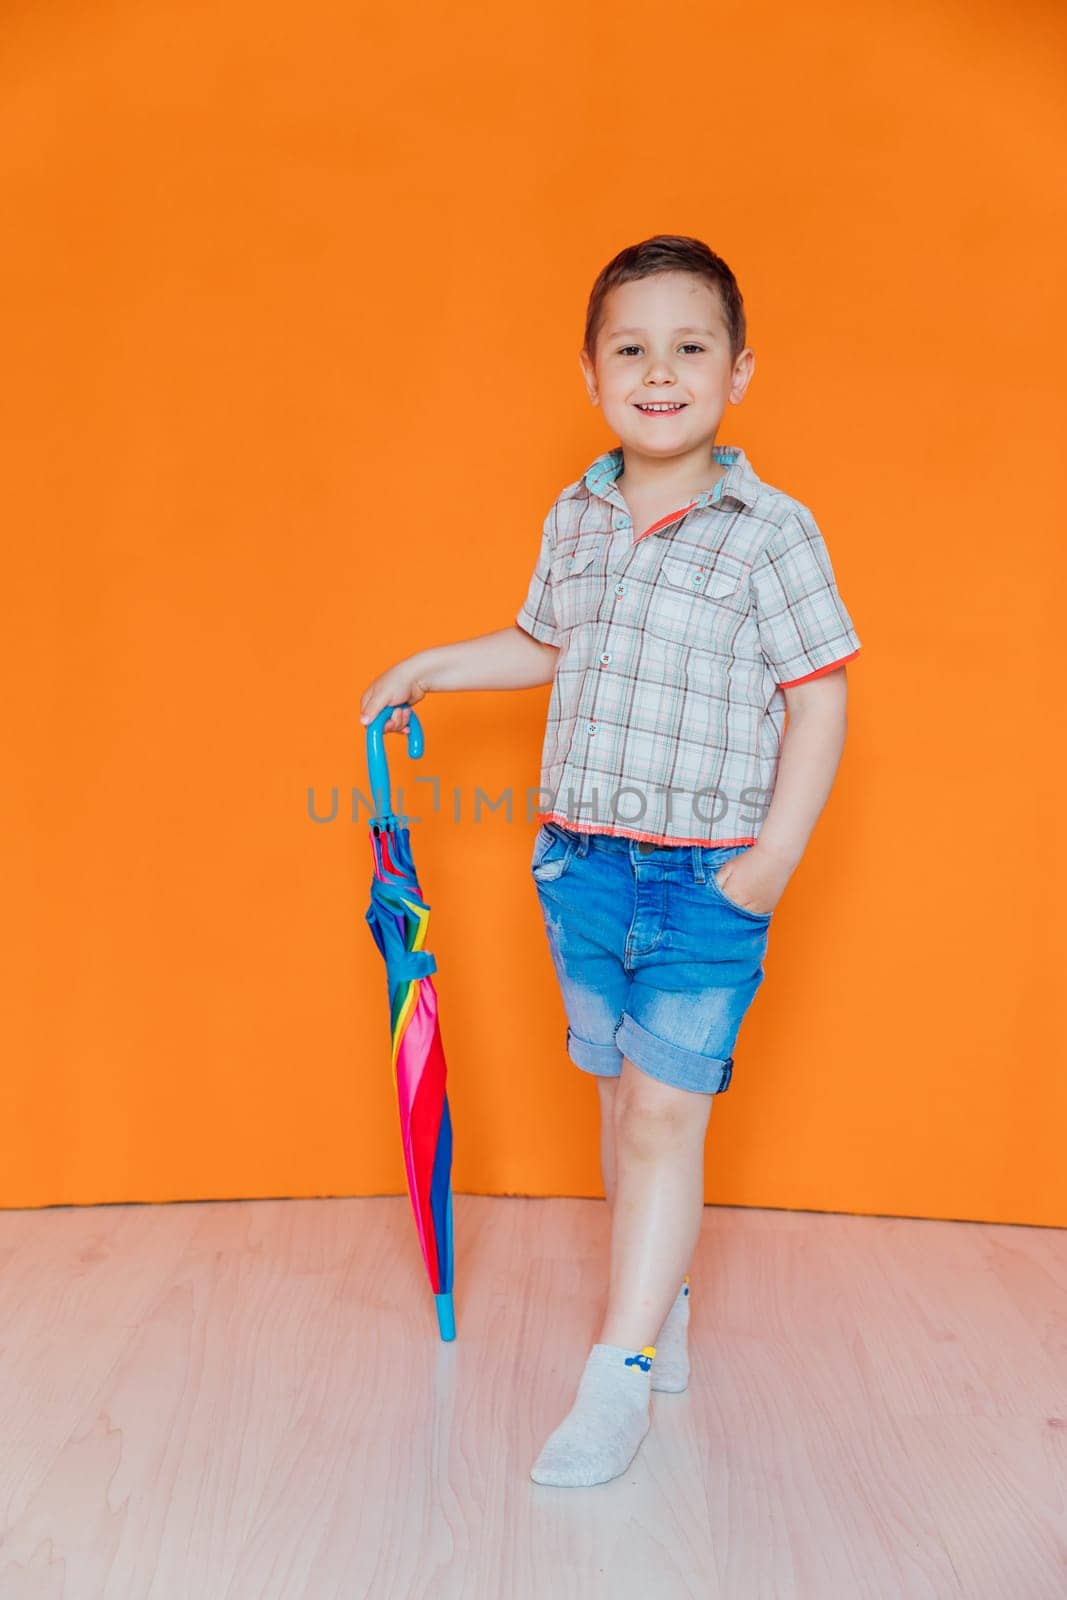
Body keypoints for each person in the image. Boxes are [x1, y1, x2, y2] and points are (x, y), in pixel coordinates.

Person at [359, 233, 862, 1488]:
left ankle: (615, 1371)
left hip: (706, 879)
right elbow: (545, 645)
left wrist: (774, 858)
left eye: (688, 348)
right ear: (590, 375)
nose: (659, 371)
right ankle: (661, 1297)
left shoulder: (770, 532)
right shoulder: (576, 516)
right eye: (629, 348)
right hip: (580, 867)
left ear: (737, 372)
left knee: (659, 1111)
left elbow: (820, 697)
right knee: (617, 1102)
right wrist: (430, 664)